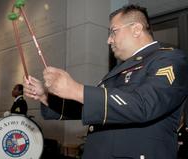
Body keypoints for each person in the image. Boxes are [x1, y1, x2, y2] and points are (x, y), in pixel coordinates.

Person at [23, 4, 188, 159]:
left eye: (113, 32)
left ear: (136, 29)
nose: (109, 40)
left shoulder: (169, 59)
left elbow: (143, 104)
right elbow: (94, 107)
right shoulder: (120, 69)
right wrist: (45, 96)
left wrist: (76, 89)